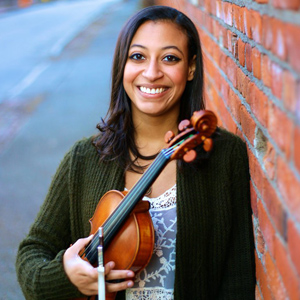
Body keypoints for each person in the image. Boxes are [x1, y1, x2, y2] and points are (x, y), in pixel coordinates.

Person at [16, 5, 256, 300]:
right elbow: (32, 255)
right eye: (138, 56)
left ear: (191, 67)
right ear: (122, 66)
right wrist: (66, 276)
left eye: (170, 58)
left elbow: (238, 278)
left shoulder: (223, 156)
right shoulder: (84, 159)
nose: (152, 73)